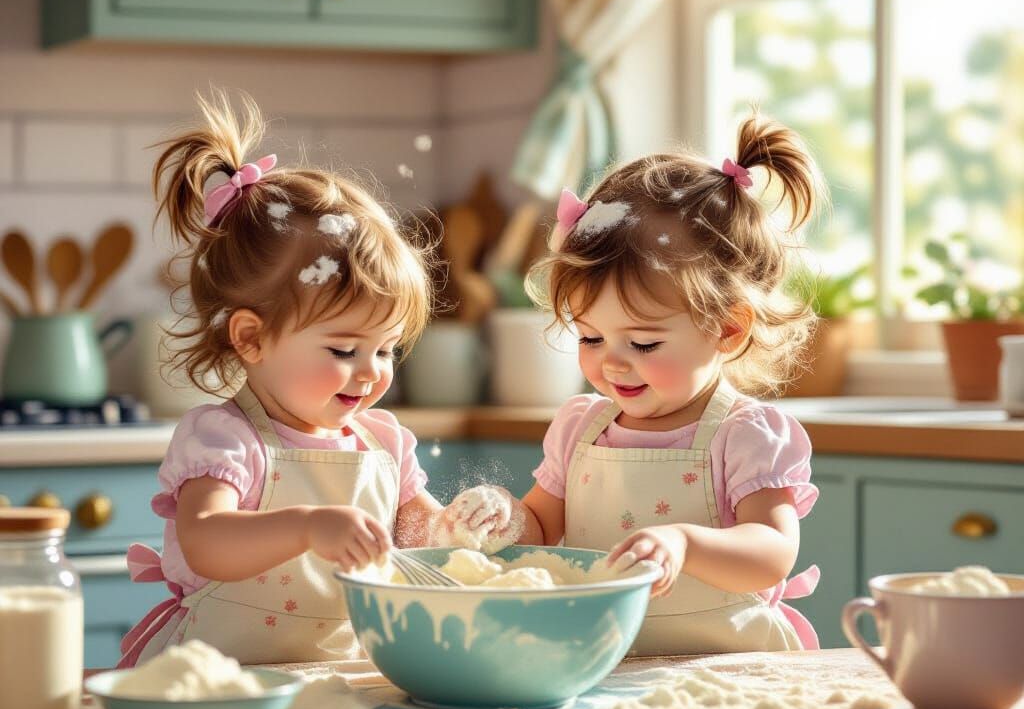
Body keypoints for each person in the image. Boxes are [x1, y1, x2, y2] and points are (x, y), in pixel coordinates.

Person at [440, 115, 824, 654]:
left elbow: (772, 551)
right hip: (602, 660)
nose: (612, 365)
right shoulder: (581, 428)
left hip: (724, 668)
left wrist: (683, 542)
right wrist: (502, 517)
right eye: (591, 338)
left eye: (642, 344)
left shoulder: (743, 434)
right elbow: (542, 528)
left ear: (728, 329)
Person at [119, 91, 442, 666]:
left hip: (338, 677)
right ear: (251, 338)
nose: (372, 372)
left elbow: (423, 542)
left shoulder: (385, 444)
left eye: (388, 349)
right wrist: (306, 526)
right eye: (345, 348)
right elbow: (207, 541)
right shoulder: (224, 439)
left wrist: (460, 525)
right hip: (219, 681)